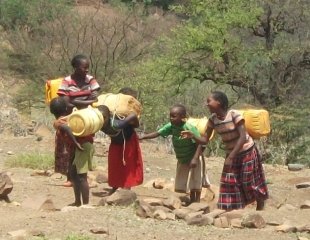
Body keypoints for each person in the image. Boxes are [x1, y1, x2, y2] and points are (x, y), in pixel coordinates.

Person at [181, 91, 268, 211]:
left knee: (248, 180)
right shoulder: (213, 120)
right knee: (229, 182)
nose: (207, 105)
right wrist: (193, 136)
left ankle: (260, 202)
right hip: (232, 153)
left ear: (219, 102)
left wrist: (230, 157)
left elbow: (242, 137)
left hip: (246, 151)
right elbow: (205, 140)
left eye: (209, 101)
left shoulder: (234, 115)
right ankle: (230, 210)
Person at [57, 54, 100, 206]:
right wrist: (85, 101)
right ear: (75, 67)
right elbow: (65, 103)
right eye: (83, 68)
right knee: (74, 169)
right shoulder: (67, 81)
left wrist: (76, 101)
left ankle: (84, 203)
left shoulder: (90, 79)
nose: (86, 70)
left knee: (80, 173)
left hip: (86, 123)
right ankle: (77, 201)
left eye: (87, 67)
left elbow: (96, 99)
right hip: (73, 121)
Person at [139, 104, 203, 203]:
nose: (171, 118)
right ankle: (183, 200)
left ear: (182, 117)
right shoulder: (171, 126)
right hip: (182, 157)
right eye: (170, 116)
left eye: (174, 116)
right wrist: (143, 137)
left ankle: (196, 201)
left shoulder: (188, 127)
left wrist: (195, 158)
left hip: (194, 156)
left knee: (195, 178)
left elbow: (200, 143)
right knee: (181, 178)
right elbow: (158, 133)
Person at [97, 88, 143, 195]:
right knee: (120, 164)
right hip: (122, 141)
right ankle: (118, 185)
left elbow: (132, 117)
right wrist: (133, 121)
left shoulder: (105, 122)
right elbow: (133, 116)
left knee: (122, 164)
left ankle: (125, 187)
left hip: (126, 141)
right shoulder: (115, 123)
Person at [50, 97, 83, 187]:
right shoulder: (68, 119)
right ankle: (72, 179)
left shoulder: (57, 122)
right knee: (72, 162)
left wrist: (75, 142)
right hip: (70, 144)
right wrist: (76, 142)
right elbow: (67, 128)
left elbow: (66, 128)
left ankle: (71, 179)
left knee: (69, 162)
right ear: (65, 108)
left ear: (51, 111)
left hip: (66, 145)